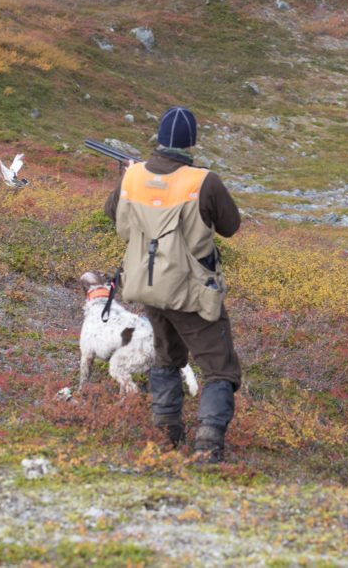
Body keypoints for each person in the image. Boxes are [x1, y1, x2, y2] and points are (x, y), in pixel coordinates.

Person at [104, 106, 242, 463]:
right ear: (191, 142)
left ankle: (166, 437)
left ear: (159, 139)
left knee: (167, 358)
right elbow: (230, 226)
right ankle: (208, 446)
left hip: (148, 286)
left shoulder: (132, 178)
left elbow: (111, 214)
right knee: (219, 368)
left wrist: (134, 178)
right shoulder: (203, 181)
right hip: (192, 292)